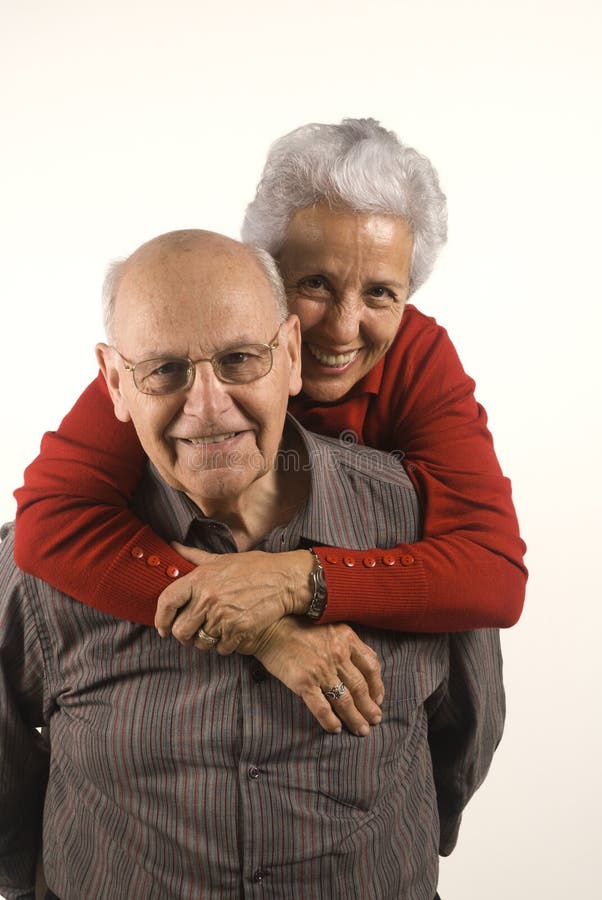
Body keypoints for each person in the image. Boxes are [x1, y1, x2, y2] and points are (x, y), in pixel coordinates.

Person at [0, 230, 503, 900]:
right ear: (114, 383)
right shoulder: (42, 561)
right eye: (164, 370)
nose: (208, 408)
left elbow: (464, 743)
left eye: (241, 359)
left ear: (293, 356)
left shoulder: (416, 530)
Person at [13, 118, 527, 646]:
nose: (344, 328)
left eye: (380, 293)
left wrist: (297, 581)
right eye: (315, 283)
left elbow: (492, 573)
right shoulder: (181, 357)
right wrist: (265, 633)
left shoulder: (417, 357)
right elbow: (50, 524)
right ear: (265, 273)